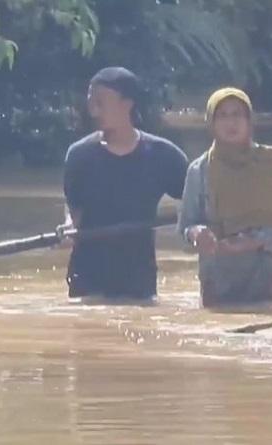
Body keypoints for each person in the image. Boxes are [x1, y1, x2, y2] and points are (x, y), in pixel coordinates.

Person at [62, 67, 189, 300]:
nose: (93, 110)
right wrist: (68, 227)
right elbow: (74, 211)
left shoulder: (162, 155)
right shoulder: (80, 155)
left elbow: (197, 201)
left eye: (101, 102)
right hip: (88, 275)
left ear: (127, 103)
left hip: (138, 276)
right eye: (91, 102)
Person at [177, 87, 272, 307]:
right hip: (217, 277)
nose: (231, 123)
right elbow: (186, 225)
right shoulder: (199, 170)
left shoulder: (267, 161)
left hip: (264, 274)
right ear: (211, 122)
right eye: (222, 115)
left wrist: (252, 241)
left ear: (249, 120)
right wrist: (197, 234)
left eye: (237, 114)